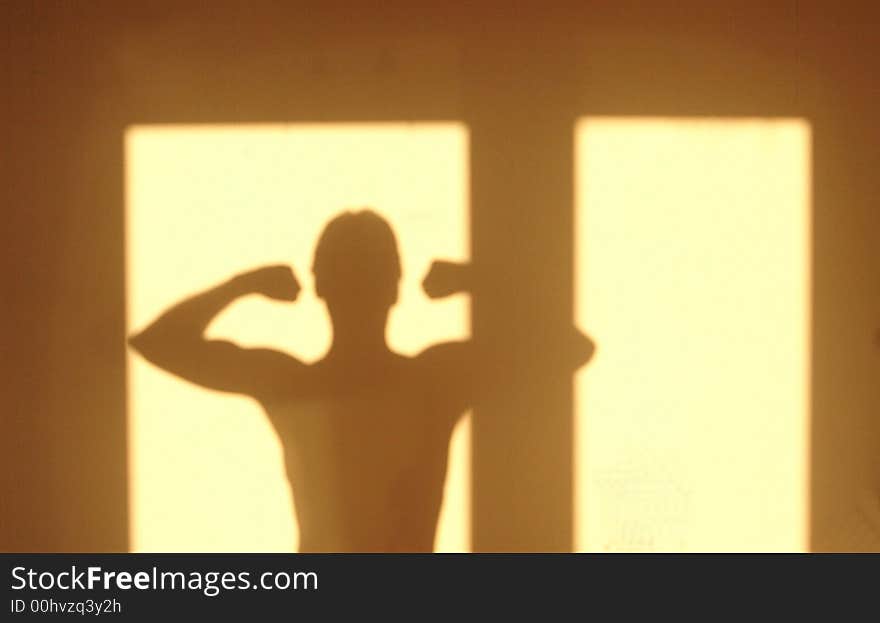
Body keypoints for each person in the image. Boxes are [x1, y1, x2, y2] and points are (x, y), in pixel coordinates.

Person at [129, 209, 594, 552]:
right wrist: (476, 280)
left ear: (318, 286)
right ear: (395, 286)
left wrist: (243, 286)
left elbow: (158, 342)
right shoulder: (434, 381)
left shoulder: (291, 384)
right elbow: (569, 347)